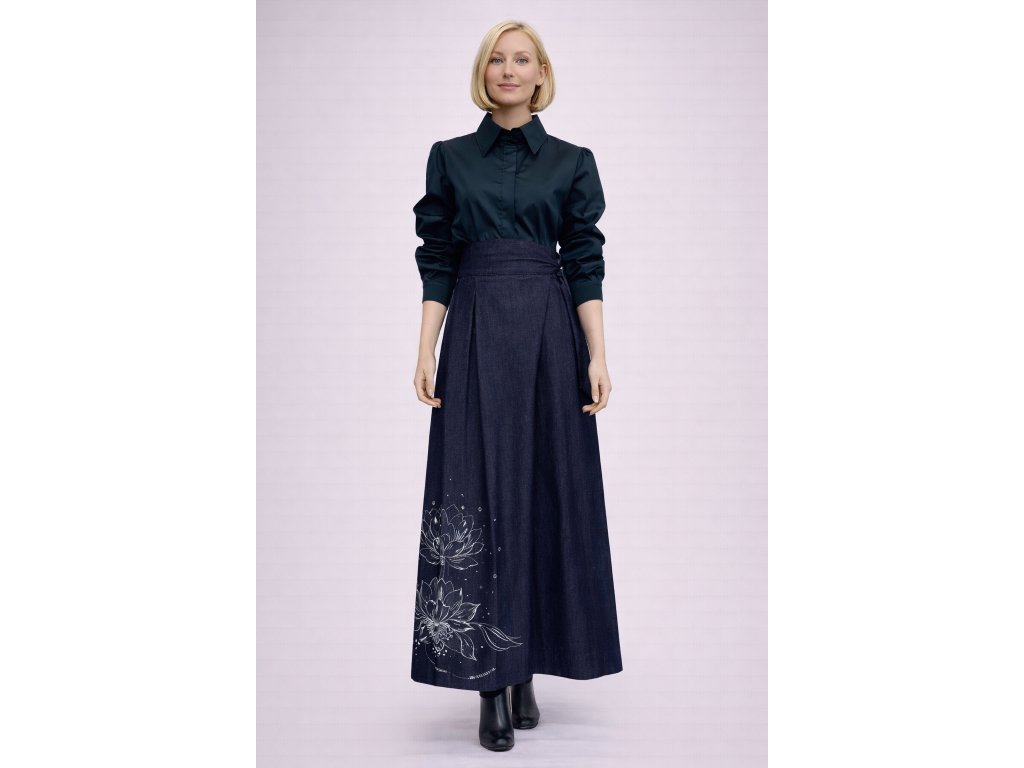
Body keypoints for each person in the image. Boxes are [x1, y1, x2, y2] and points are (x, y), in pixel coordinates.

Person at [409, 20, 623, 751]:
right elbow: (438, 255)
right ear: (484, 73)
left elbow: (584, 260)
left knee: (542, 491)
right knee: (476, 486)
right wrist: (425, 346)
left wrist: (597, 354)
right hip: (473, 330)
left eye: (521, 59)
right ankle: (490, 685)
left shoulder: (572, 162)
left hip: (547, 335)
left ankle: (524, 661)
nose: (508, 69)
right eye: (496, 59)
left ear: (541, 74)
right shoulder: (449, 158)